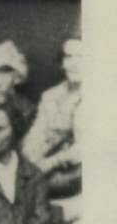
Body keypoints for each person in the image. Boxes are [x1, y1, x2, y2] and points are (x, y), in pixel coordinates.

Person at [22, 37, 83, 201]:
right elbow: (37, 133)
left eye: (82, 57)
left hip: (78, 170)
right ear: (62, 62)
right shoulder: (51, 96)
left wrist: (52, 163)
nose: (74, 64)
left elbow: (84, 148)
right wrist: (30, 159)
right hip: (45, 163)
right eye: (69, 57)